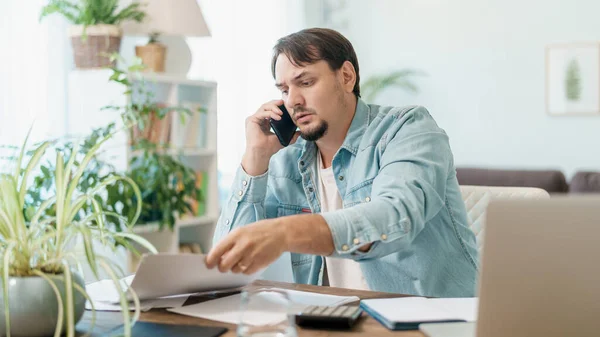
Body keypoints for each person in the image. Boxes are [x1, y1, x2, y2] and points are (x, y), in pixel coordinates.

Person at [205, 28, 478, 297]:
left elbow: (395, 217)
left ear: (347, 76)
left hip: (432, 320)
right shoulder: (286, 159)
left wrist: (283, 232)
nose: (293, 101)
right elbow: (226, 267)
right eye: (285, 89)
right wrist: (256, 157)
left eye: (306, 82)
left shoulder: (407, 129)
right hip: (337, 319)